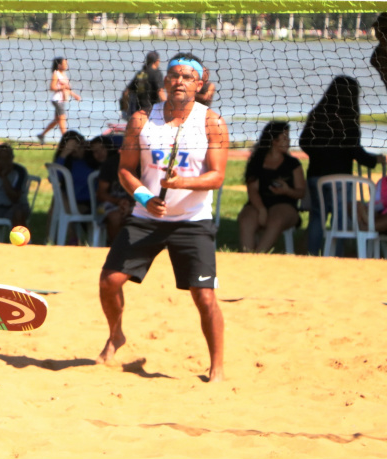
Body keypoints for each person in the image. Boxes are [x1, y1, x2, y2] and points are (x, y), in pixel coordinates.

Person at [97, 53, 229, 383]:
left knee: (205, 297)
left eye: (187, 77)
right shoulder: (142, 120)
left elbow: (217, 177)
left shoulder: (211, 122)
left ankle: (217, 368)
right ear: (165, 83)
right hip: (147, 216)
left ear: (199, 85)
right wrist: (145, 196)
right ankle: (116, 335)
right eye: (174, 76)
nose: (180, 81)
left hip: (192, 219)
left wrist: (182, 183)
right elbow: (126, 170)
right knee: (109, 282)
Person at [299, 76, 386, 256]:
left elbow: (303, 143)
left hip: (316, 176)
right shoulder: (348, 122)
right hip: (341, 179)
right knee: (340, 218)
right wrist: (375, 160)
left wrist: (319, 154)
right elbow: (357, 153)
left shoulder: (317, 115)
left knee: (317, 217)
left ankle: (312, 254)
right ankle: (337, 255)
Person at [237, 121, 305, 253]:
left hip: (285, 204)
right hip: (258, 203)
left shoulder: (293, 164)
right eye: (284, 138)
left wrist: (287, 190)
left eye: (288, 137)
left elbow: (301, 192)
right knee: (246, 220)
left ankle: (258, 256)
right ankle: (246, 256)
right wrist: (261, 209)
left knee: (276, 219)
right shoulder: (257, 161)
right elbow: (252, 190)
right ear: (274, 140)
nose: (289, 141)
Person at [93, 135, 135, 245]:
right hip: (111, 204)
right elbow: (101, 193)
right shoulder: (110, 164)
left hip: (137, 203)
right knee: (115, 217)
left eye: (102, 149)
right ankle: (114, 247)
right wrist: (119, 202)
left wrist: (132, 204)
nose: (99, 153)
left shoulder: (143, 163)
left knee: (137, 216)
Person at [37, 57, 81, 144]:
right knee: (62, 119)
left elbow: (67, 89)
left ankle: (42, 135)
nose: (66, 65)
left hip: (62, 100)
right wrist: (63, 87)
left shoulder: (63, 74)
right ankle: (66, 139)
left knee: (57, 120)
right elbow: (52, 87)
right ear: (59, 65)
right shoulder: (56, 74)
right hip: (57, 100)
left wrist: (74, 95)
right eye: (65, 63)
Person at [121, 51, 166, 120]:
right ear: (157, 61)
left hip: (137, 112)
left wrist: (126, 110)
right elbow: (160, 92)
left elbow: (126, 93)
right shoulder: (156, 73)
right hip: (151, 112)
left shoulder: (141, 73)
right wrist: (168, 108)